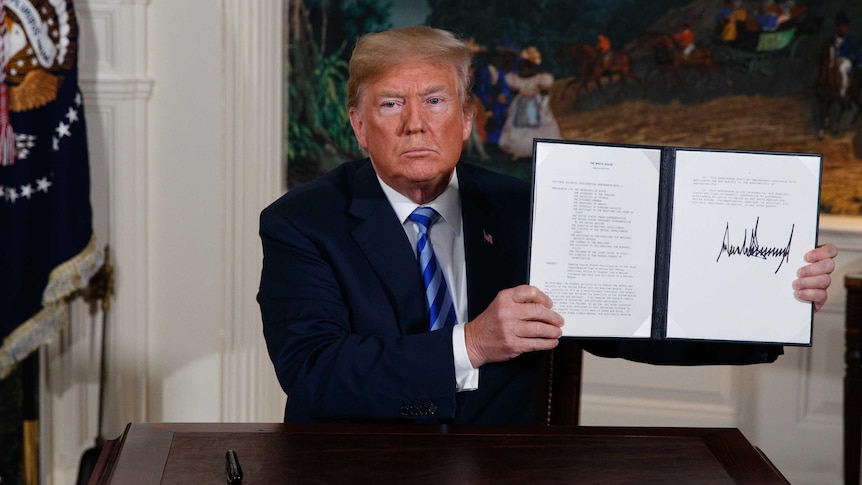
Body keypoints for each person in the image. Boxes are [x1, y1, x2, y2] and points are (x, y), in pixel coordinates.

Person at [258, 25, 838, 425]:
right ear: (359, 126)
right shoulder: (301, 224)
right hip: (353, 468)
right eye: (390, 105)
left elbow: (628, 320)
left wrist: (769, 301)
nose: (415, 124)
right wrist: (471, 344)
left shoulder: (527, 208)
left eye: (435, 101)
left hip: (507, 467)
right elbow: (315, 373)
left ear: (466, 119)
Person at [498, 46, 561, 159]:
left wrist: (543, 105)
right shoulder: (514, 78)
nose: (524, 69)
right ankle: (519, 151)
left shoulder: (540, 78)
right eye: (522, 67)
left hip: (536, 104)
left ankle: (540, 152)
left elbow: (545, 93)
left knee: (539, 126)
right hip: (521, 104)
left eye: (527, 67)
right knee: (519, 126)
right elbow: (512, 90)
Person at [831, 11, 862, 98]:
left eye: (847, 26)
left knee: (842, 69)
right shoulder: (832, 38)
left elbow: (857, 52)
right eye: (844, 27)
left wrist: (861, 60)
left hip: (845, 60)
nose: (846, 29)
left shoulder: (851, 40)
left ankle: (843, 92)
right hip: (834, 59)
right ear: (839, 27)